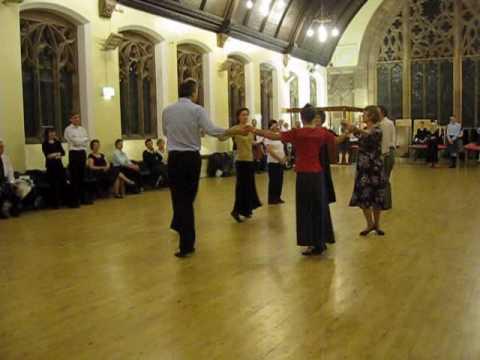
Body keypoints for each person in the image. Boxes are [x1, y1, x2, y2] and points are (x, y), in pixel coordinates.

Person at [162, 79, 249, 258]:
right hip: (190, 159)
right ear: (194, 93)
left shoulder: (167, 110)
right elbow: (212, 130)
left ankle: (178, 225)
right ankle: (186, 244)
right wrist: (236, 131)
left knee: (178, 198)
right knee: (187, 200)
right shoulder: (197, 110)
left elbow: (165, 132)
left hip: (174, 158)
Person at [254, 105, 337, 256]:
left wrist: (254, 130)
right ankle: (321, 241)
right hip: (318, 174)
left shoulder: (297, 133)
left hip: (304, 175)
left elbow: (273, 136)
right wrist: (350, 131)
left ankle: (312, 243)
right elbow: (336, 140)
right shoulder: (322, 132)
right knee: (319, 207)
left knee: (305, 208)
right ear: (314, 117)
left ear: (301, 117)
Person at [344, 106, 389, 236]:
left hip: (375, 168)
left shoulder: (377, 130)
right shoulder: (364, 130)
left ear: (371, 116)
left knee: (376, 197)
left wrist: (354, 128)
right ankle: (369, 224)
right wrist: (348, 127)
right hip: (363, 169)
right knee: (363, 196)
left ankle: (377, 224)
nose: (363, 115)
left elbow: (369, 135)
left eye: (365, 114)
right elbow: (354, 134)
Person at [230, 108, 262, 222]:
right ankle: (236, 211)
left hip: (250, 160)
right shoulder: (235, 129)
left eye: (247, 115)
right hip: (241, 161)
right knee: (241, 188)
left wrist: (259, 142)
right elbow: (223, 136)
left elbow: (251, 142)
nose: (245, 117)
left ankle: (247, 210)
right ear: (238, 116)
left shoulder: (250, 129)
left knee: (249, 187)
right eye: (243, 115)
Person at [64, 112, 89, 207]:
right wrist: (82, 141)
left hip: (82, 153)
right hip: (74, 154)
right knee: (74, 177)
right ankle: (74, 201)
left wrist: (80, 142)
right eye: (75, 118)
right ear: (71, 119)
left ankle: (82, 199)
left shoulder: (82, 129)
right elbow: (75, 142)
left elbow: (86, 141)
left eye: (78, 118)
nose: (77, 119)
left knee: (82, 176)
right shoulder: (68, 129)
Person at [41, 128, 67, 208]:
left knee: (62, 182)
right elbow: (48, 155)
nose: (52, 134)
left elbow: (63, 152)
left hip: (59, 165)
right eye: (50, 133)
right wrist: (57, 154)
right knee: (53, 184)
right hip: (51, 166)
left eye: (53, 132)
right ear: (47, 134)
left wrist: (55, 154)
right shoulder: (45, 143)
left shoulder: (57, 142)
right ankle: (54, 203)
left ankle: (63, 201)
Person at [264, 120, 286, 205]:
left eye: (276, 125)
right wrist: (279, 158)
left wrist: (283, 158)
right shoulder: (268, 136)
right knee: (273, 181)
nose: (276, 127)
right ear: (270, 126)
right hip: (273, 162)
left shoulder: (278, 135)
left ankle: (278, 197)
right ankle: (272, 199)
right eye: (273, 125)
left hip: (280, 161)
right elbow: (269, 150)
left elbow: (282, 148)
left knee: (280, 180)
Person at [378, 105, 396, 210]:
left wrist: (383, 154)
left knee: (384, 178)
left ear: (382, 113)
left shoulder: (386, 123)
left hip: (386, 153)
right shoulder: (383, 123)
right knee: (384, 179)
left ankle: (385, 203)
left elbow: (385, 140)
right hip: (387, 152)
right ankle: (384, 202)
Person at [0, 140, 21, 218]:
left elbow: (10, 171)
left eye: (2, 147)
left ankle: (14, 210)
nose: (2, 149)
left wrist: (12, 182)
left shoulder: (6, 158)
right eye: (0, 147)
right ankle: (3, 210)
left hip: (5, 181)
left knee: (17, 189)